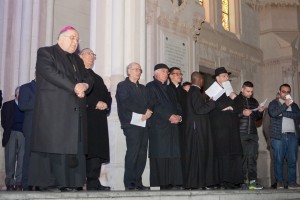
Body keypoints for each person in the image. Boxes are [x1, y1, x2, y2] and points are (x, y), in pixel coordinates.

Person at [28, 26, 93, 192]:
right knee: (54, 145)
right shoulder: (45, 52)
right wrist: (75, 87)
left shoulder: (77, 60)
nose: (75, 42)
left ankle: (72, 182)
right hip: (53, 110)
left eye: (77, 39)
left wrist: (84, 85)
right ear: (60, 38)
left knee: (73, 147)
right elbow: (51, 73)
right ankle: (50, 183)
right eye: (72, 38)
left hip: (74, 110)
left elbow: (88, 78)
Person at [146, 63, 183, 190]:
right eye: (164, 71)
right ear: (156, 73)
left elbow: (178, 105)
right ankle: (163, 183)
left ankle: (173, 182)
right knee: (162, 154)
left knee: (172, 154)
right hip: (159, 127)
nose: (166, 74)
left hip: (172, 126)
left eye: (167, 72)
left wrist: (179, 117)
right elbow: (154, 104)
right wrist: (169, 116)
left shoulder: (169, 89)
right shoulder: (151, 87)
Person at [116, 62, 152, 191]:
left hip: (144, 123)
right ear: (129, 71)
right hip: (131, 124)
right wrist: (144, 111)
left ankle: (138, 181)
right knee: (133, 152)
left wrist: (149, 111)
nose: (139, 71)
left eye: (140, 70)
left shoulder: (143, 88)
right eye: (136, 69)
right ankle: (129, 183)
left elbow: (150, 102)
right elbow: (126, 103)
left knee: (142, 153)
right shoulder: (123, 86)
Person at [79, 48, 112, 191]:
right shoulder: (77, 74)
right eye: (88, 54)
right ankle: (78, 181)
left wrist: (106, 104)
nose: (92, 57)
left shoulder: (97, 78)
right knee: (84, 150)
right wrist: (94, 103)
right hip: (84, 118)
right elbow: (76, 93)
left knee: (97, 151)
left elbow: (106, 94)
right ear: (80, 56)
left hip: (98, 120)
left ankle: (93, 181)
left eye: (93, 54)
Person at [209, 67, 244, 189]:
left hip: (233, 128)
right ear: (217, 78)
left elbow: (241, 106)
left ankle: (235, 180)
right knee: (223, 153)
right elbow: (218, 105)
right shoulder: (213, 91)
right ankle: (223, 180)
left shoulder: (230, 90)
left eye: (227, 76)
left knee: (234, 152)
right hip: (220, 128)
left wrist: (232, 105)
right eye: (224, 76)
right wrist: (230, 100)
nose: (227, 78)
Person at [184, 72, 218, 189]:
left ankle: (197, 183)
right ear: (199, 80)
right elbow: (199, 110)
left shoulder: (193, 92)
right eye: (202, 80)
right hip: (197, 129)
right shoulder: (195, 92)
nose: (203, 82)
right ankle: (198, 183)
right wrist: (212, 103)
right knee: (198, 155)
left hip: (195, 128)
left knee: (196, 156)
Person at [268, 83, 300, 189]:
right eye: (283, 91)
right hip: (278, 136)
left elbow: (297, 115)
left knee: (292, 160)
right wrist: (285, 105)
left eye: (288, 92)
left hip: (292, 136)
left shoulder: (294, 105)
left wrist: (283, 113)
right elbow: (273, 113)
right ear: (279, 91)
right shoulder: (274, 103)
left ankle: (292, 182)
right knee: (278, 160)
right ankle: (280, 182)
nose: (286, 93)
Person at [234, 81, 264, 190]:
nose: (250, 93)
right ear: (242, 89)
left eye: (251, 91)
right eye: (248, 91)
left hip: (252, 134)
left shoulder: (254, 101)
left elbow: (257, 118)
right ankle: (242, 181)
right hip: (240, 133)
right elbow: (231, 116)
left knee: (252, 158)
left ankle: (252, 182)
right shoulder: (236, 100)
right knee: (242, 158)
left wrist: (260, 112)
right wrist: (242, 113)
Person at [1, 86, 25, 191]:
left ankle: (19, 182)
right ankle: (9, 182)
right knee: (10, 158)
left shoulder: (27, 105)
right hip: (11, 133)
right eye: (22, 94)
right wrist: (8, 130)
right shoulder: (7, 105)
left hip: (23, 134)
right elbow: (3, 121)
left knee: (22, 159)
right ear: (17, 94)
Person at [168, 67, 187, 183]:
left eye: (180, 74)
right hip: (171, 125)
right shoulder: (166, 89)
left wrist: (181, 117)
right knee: (173, 153)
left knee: (182, 152)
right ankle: (173, 180)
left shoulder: (184, 92)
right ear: (170, 76)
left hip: (183, 125)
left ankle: (182, 180)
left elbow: (186, 108)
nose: (179, 76)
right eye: (177, 74)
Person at [18, 78, 36, 191]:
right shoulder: (25, 87)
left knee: (41, 157)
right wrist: (39, 100)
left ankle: (40, 182)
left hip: (45, 128)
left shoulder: (47, 89)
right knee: (28, 155)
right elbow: (22, 105)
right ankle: (26, 183)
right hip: (30, 127)